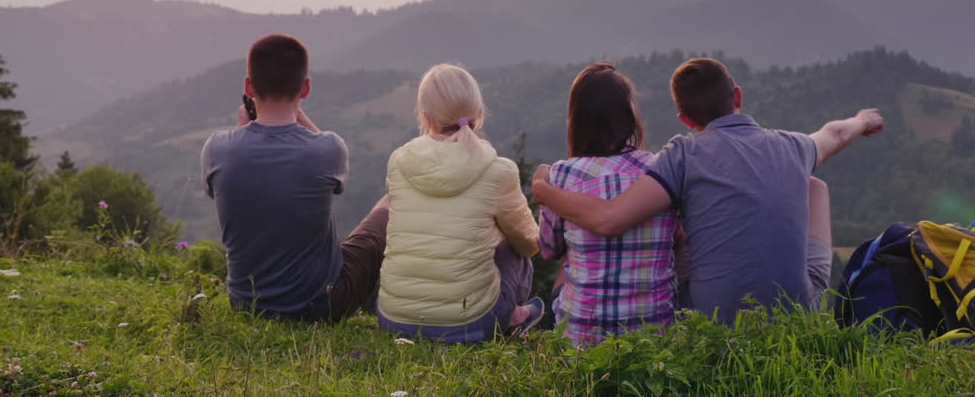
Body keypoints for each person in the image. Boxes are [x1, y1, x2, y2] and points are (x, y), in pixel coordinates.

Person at [533, 57, 883, 324]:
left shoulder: (682, 155)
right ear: (738, 96)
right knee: (814, 186)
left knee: (677, 223)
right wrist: (863, 120)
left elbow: (610, 219)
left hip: (709, 318)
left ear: (685, 119)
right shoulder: (792, 146)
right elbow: (835, 134)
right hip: (794, 313)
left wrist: (544, 190)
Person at [201, 33, 389, 322]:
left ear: (249, 87)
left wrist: (242, 128)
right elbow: (332, 172)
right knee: (389, 205)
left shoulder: (217, 148)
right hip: (320, 305)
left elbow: (225, 190)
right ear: (306, 88)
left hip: (246, 305)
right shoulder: (328, 148)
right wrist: (298, 114)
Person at [377, 64, 544, 341]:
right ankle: (513, 315)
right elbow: (530, 244)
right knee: (514, 246)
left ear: (426, 117)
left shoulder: (399, 162)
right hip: (472, 322)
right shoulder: (498, 171)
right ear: (478, 113)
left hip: (394, 319)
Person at [538, 63, 683, 345]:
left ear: (576, 119)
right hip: (656, 338)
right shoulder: (661, 169)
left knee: (568, 258)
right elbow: (677, 239)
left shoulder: (561, 175)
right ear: (629, 116)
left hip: (582, 340)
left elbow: (548, 249)